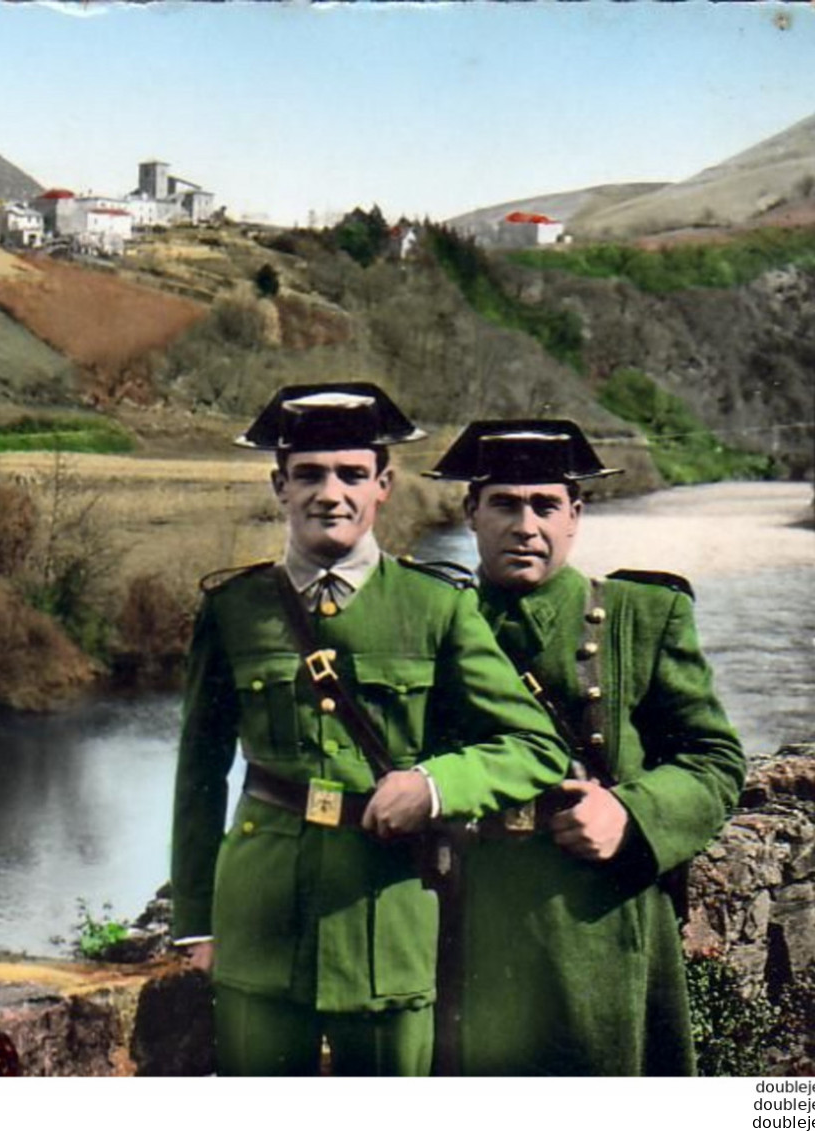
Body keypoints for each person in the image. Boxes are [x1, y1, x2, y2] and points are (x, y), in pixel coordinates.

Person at [170, 384, 569, 1077]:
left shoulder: (434, 606)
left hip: (387, 915)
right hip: (259, 917)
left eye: (352, 473)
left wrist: (436, 785)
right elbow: (198, 773)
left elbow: (536, 745)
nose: (331, 492)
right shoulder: (234, 608)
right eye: (310, 474)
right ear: (280, 487)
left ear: (384, 485)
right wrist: (199, 922)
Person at [426, 420, 746, 1075]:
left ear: (575, 516)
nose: (525, 524)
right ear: (471, 513)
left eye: (545, 505)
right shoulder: (422, 621)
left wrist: (631, 813)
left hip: (598, 930)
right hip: (459, 928)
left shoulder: (640, 615)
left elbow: (713, 761)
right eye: (505, 504)